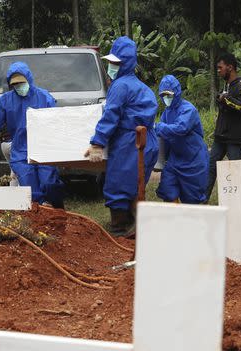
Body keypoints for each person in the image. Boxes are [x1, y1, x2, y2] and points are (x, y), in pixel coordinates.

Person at [85, 36, 159, 236]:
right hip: (147, 140)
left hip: (130, 142)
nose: (110, 66)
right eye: (110, 62)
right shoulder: (141, 87)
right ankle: (136, 223)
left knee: (118, 183)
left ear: (124, 63)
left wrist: (97, 143)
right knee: (136, 183)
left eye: (114, 63)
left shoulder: (120, 86)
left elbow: (111, 116)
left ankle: (122, 227)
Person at [0, 62, 65, 208]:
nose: (19, 86)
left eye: (21, 82)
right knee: (29, 187)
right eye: (15, 84)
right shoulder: (5, 102)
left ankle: (57, 209)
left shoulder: (44, 97)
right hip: (21, 151)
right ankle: (39, 210)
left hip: (44, 149)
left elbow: (56, 124)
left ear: (29, 79)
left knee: (49, 182)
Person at [154, 74, 209, 204]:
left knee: (193, 199)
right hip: (175, 160)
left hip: (193, 160)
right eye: (163, 95)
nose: (166, 98)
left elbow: (180, 128)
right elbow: (164, 139)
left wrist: (159, 126)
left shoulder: (188, 110)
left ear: (177, 92)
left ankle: (193, 221)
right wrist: (160, 160)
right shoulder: (166, 113)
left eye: (169, 94)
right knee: (167, 189)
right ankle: (176, 219)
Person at [206, 54, 241, 202]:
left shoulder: (240, 85)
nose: (218, 71)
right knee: (211, 166)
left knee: (235, 170)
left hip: (235, 138)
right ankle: (202, 200)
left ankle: (238, 203)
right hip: (221, 136)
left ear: (230, 67)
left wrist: (225, 99)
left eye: (220, 67)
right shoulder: (227, 85)